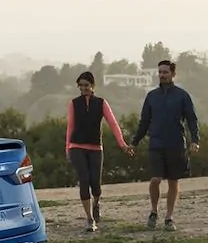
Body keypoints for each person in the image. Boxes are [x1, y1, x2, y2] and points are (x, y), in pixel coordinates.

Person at [127, 60, 200, 231]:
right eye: (159, 72)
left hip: (176, 144)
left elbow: (192, 120)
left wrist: (194, 140)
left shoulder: (182, 96)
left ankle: (169, 217)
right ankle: (153, 211)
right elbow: (144, 122)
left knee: (173, 182)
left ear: (173, 74)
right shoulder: (152, 96)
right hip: (156, 143)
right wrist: (134, 142)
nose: (162, 75)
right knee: (155, 179)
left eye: (165, 72)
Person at [66, 71, 132, 232]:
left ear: (93, 86)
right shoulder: (74, 103)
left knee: (95, 183)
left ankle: (96, 203)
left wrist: (122, 144)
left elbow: (113, 124)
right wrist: (67, 147)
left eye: (86, 85)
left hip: (95, 147)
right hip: (77, 147)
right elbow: (70, 126)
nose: (83, 88)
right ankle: (90, 219)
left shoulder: (101, 103)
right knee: (84, 180)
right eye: (80, 86)